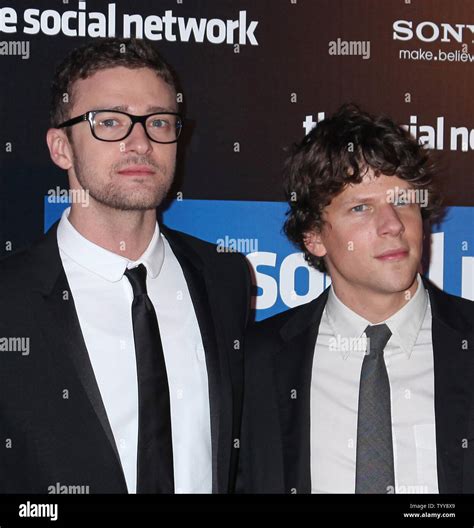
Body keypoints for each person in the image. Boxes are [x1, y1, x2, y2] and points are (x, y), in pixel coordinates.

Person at [0, 38, 251, 494]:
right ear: (61, 148)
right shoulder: (8, 298)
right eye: (110, 122)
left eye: (158, 122)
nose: (141, 142)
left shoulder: (224, 277)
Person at [240, 104, 473, 494]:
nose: (393, 225)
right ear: (314, 236)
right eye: (361, 208)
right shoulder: (256, 366)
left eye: (402, 201)